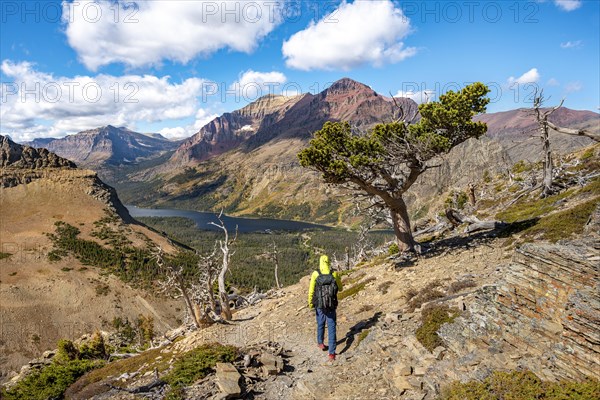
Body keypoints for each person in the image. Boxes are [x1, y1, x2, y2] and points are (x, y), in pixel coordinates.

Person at [308, 255, 343, 361]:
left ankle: (320, 343)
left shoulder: (316, 274)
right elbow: (340, 288)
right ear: (328, 262)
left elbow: (311, 290)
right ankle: (332, 353)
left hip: (319, 304)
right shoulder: (334, 274)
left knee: (320, 323)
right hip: (331, 305)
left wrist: (310, 303)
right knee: (332, 327)